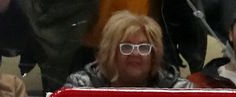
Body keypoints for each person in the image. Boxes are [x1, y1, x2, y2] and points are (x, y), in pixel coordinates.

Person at [64, 10, 192, 89]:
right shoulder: (81, 86)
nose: (135, 53)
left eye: (143, 47)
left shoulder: (179, 90)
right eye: (126, 47)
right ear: (110, 52)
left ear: (154, 55)